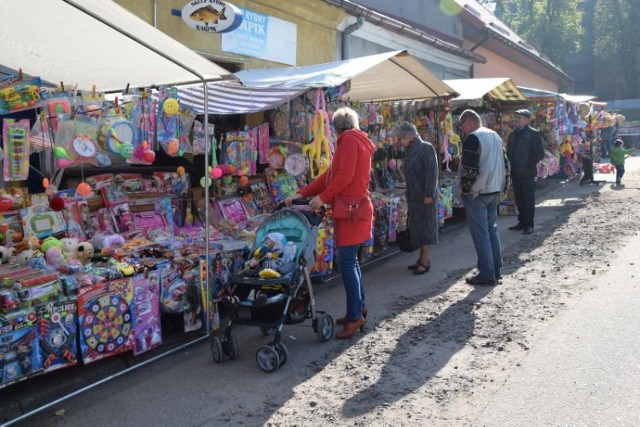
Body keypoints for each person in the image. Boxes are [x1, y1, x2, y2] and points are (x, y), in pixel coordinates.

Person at [285, 106, 375, 339]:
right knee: (351, 262)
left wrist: (321, 198)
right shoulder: (358, 140)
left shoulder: (348, 141)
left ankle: (355, 316)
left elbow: (341, 176)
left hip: (351, 213)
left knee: (347, 263)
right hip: (355, 210)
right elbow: (330, 176)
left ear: (336, 128)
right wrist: (303, 192)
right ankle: (358, 309)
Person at [456, 109, 508, 286]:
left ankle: (486, 273)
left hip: (478, 193)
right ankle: (496, 269)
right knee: (491, 230)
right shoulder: (494, 135)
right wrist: (503, 187)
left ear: (469, 121)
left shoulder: (473, 138)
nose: (462, 130)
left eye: (462, 126)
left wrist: (465, 189)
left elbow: (470, 169)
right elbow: (505, 163)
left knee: (481, 233)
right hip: (494, 190)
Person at [392, 122, 439, 275]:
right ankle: (421, 258)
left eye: (401, 138)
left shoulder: (426, 148)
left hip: (425, 196)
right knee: (418, 228)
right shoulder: (411, 149)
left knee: (426, 229)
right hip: (414, 195)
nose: (400, 142)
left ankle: (425, 261)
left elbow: (432, 173)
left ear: (407, 136)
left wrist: (429, 194)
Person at [506, 108, 545, 235]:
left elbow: (539, 153)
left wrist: (528, 164)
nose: (516, 120)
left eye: (519, 118)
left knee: (528, 199)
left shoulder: (533, 134)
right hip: (515, 172)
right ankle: (521, 221)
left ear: (527, 120)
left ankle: (529, 224)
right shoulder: (512, 134)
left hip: (527, 172)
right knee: (519, 198)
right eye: (515, 117)